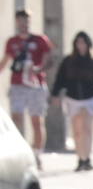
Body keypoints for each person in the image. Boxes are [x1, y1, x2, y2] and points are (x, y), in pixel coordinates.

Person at [48, 31, 93, 172]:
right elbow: (60, 79)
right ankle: (80, 158)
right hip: (72, 98)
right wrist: (55, 95)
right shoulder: (68, 61)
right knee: (77, 131)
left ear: (88, 44)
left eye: (83, 42)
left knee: (87, 128)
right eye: (78, 42)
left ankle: (87, 158)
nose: (81, 45)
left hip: (89, 98)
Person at [1, 9, 55, 166]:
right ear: (16, 22)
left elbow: (49, 60)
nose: (23, 24)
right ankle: (18, 151)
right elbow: (5, 62)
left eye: (26, 21)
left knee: (36, 121)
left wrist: (38, 68)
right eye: (20, 21)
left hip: (35, 85)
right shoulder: (12, 42)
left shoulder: (40, 40)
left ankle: (36, 154)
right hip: (17, 85)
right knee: (16, 119)